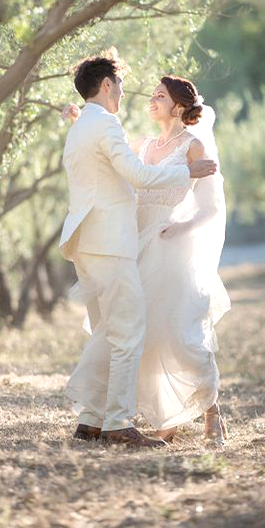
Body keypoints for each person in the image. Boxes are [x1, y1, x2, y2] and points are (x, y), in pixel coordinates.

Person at [59, 49, 217, 447]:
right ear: (107, 85)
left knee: (109, 331)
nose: (128, 94)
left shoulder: (82, 127)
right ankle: (117, 424)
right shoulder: (105, 123)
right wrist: (188, 170)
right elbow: (138, 175)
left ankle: (91, 419)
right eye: (123, 85)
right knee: (128, 335)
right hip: (112, 243)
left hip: (87, 243)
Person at [131, 76, 230, 445]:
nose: (151, 100)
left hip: (174, 246)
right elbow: (108, 149)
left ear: (177, 106)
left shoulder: (194, 145)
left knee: (182, 334)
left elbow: (211, 207)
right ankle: (166, 417)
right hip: (140, 245)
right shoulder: (144, 144)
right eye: (152, 95)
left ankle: (212, 412)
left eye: (160, 96)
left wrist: (181, 226)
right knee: (146, 332)